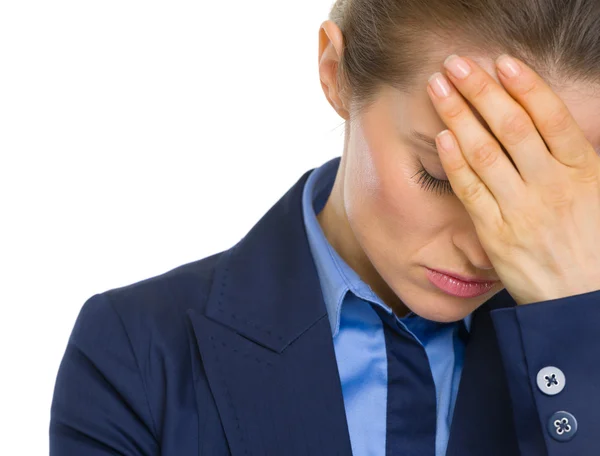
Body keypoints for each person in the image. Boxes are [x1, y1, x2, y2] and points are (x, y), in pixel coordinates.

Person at [50, 0, 600, 454]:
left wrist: (580, 328)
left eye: (546, 188)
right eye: (440, 176)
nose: (491, 245)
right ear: (337, 75)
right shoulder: (137, 352)